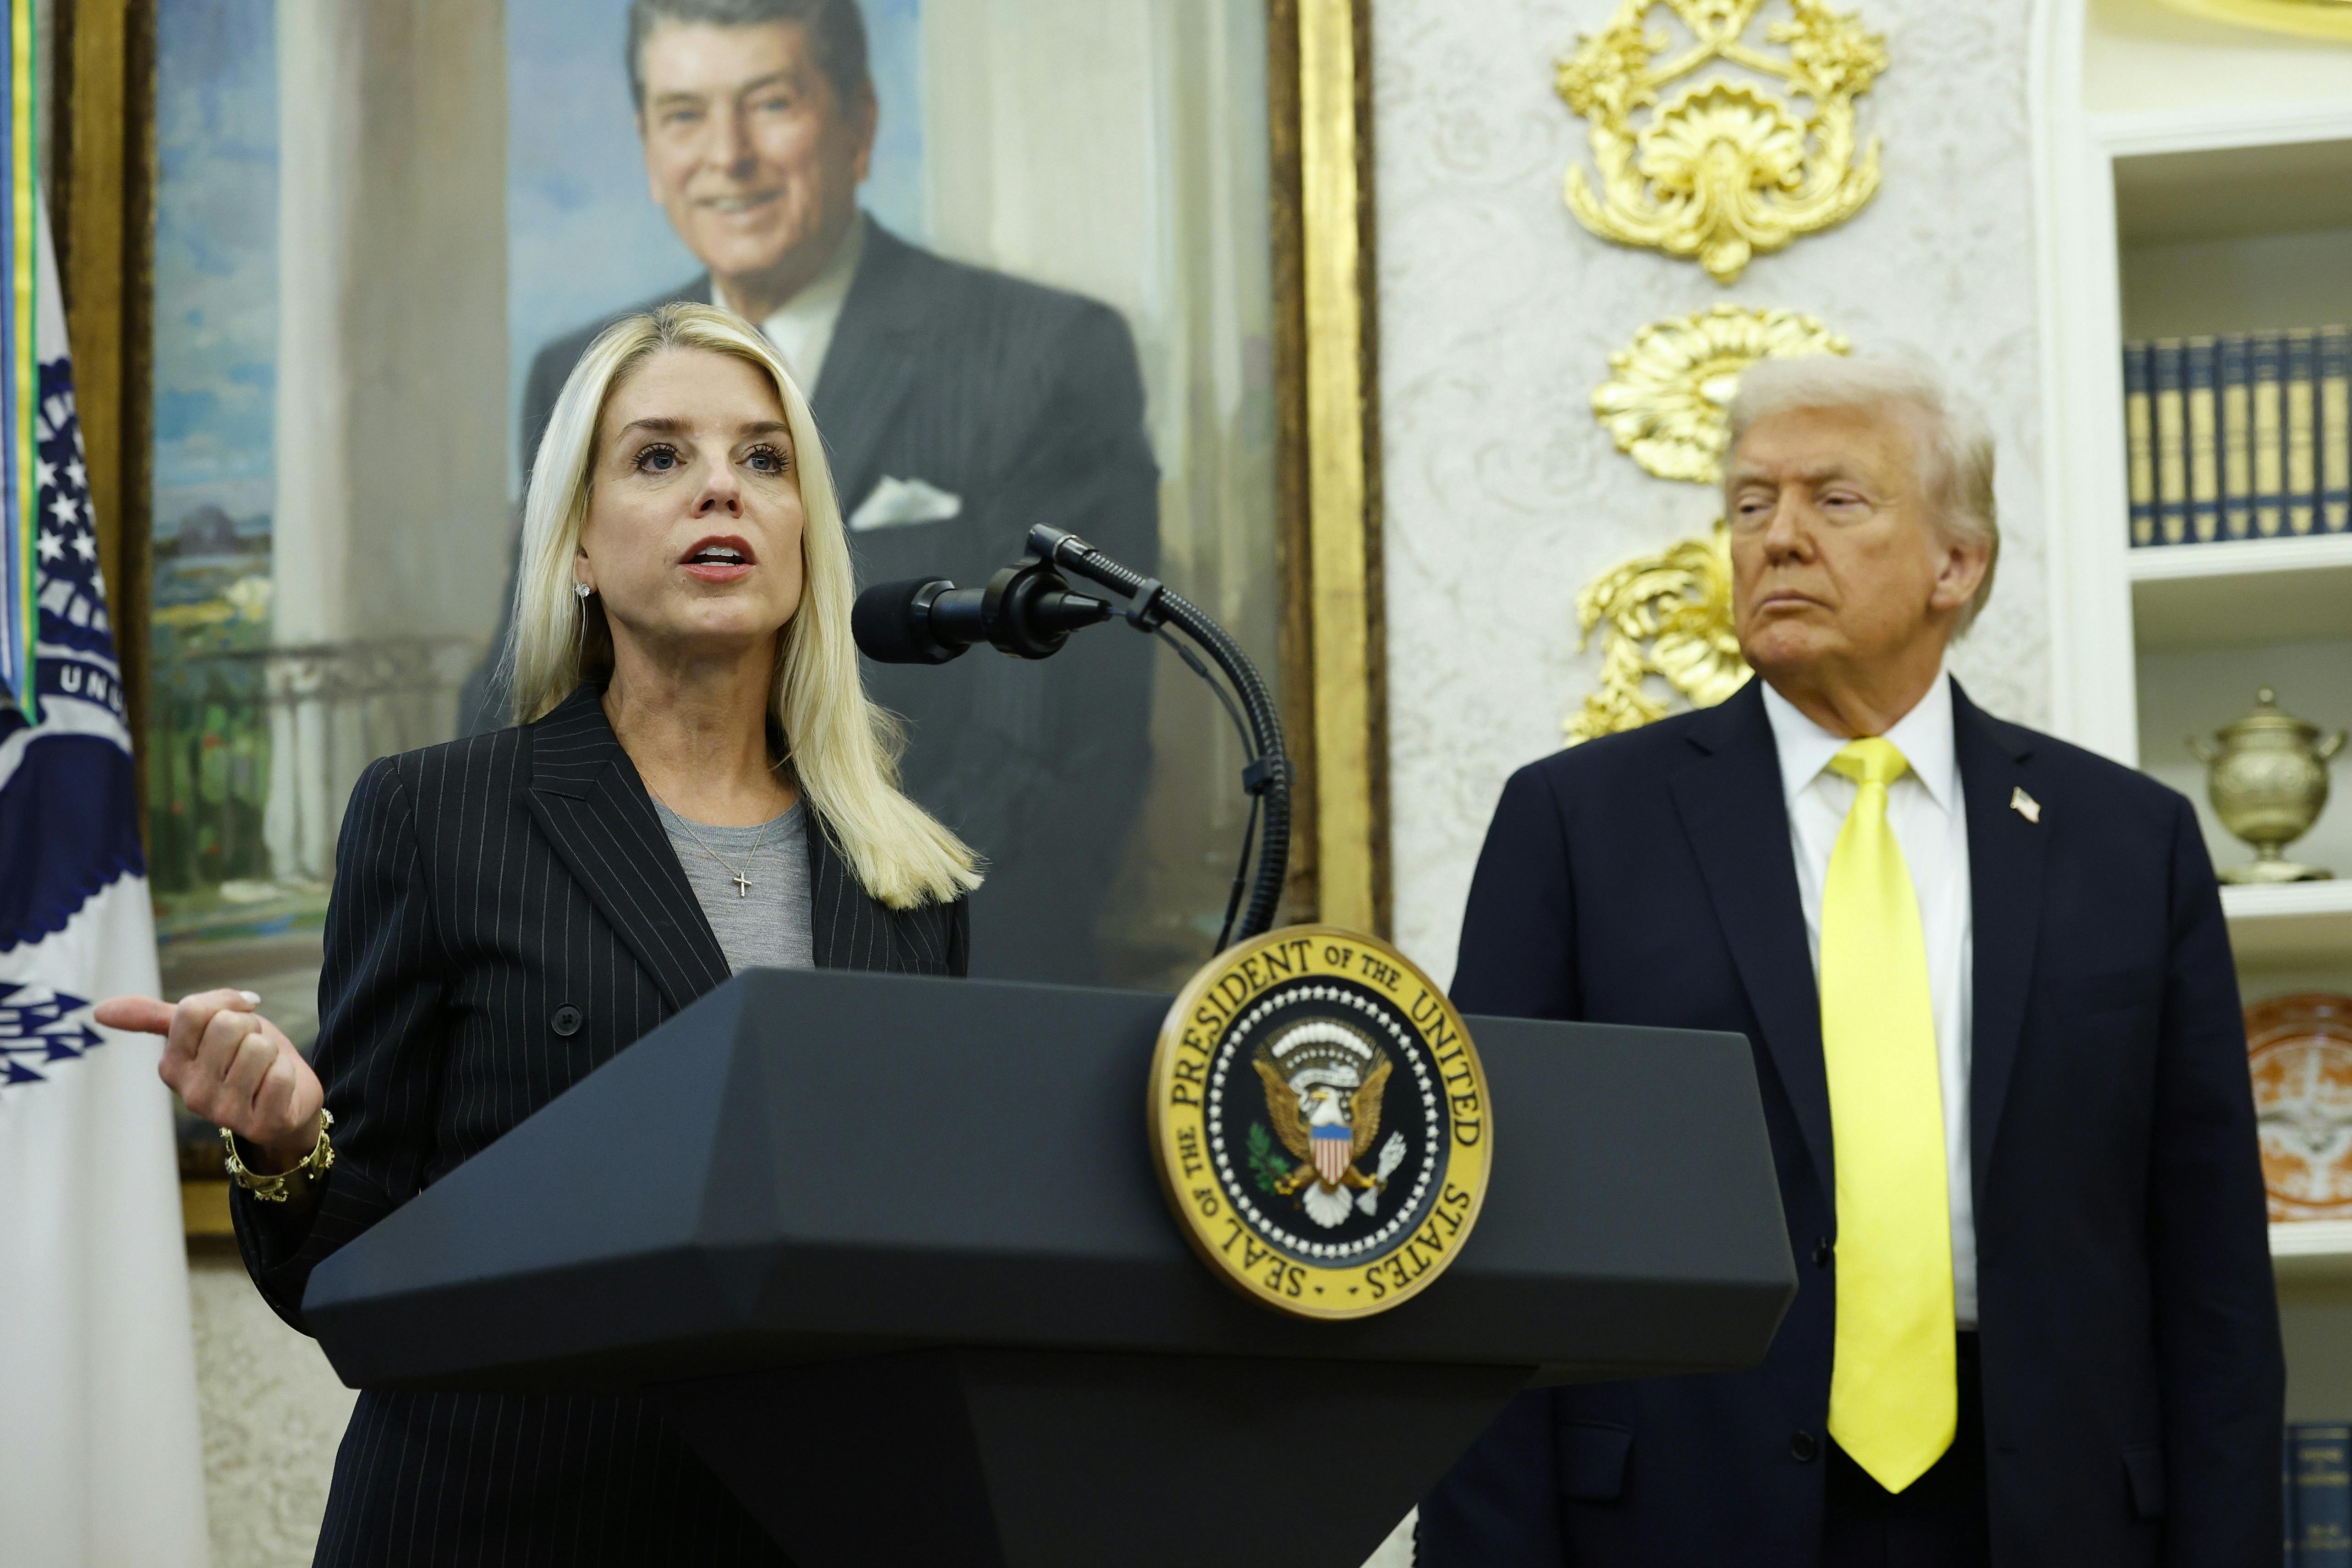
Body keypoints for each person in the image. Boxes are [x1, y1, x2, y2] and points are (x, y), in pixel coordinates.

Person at [100, 304, 978, 1564]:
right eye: (659, 456)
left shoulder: (911, 875)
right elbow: (338, 1271)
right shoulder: (433, 813)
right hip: (503, 1519)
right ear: (573, 537)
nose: (720, 488)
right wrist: (287, 1141)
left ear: (806, 538)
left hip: (802, 1529)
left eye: (764, 459)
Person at [1416, 356, 2282, 1566]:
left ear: (1954, 563)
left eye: (1833, 500)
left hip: (2050, 1504)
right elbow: (1486, 1235)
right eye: (1748, 503)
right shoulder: (1577, 824)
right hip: (1680, 1503)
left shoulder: (2126, 843)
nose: (1775, 538)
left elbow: (2210, 1274)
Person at [461, 0, 1159, 987]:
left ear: (858, 125)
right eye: (684, 114)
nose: (727, 155)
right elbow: (522, 689)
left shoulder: (1040, 356)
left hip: (931, 993)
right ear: (647, 146)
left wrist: (811, 968)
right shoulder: (576, 375)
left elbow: (1053, 759)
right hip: (615, 995)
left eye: (771, 103)